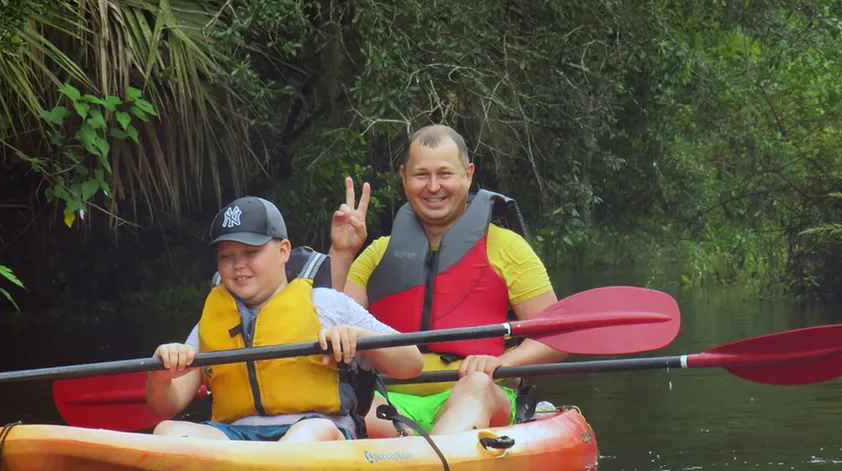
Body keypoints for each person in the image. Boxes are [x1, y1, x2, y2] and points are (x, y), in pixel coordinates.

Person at [328, 124, 566, 437]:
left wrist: (502, 361)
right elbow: (330, 322)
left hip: (476, 393)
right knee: (348, 410)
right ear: (404, 178)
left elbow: (556, 337)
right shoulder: (377, 254)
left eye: (445, 174)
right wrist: (342, 252)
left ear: (468, 174)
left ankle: (436, 453)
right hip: (390, 398)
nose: (433, 186)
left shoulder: (507, 247)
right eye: (421, 175)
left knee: (476, 387)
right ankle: (412, 449)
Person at [146, 196, 423, 442]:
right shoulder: (210, 321)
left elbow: (411, 363)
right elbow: (166, 406)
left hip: (316, 430)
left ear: (283, 252)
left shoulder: (326, 303)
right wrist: (160, 374)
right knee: (167, 432)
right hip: (237, 437)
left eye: (251, 252)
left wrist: (357, 337)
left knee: (308, 435)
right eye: (226, 256)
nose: (238, 265)